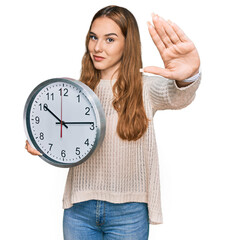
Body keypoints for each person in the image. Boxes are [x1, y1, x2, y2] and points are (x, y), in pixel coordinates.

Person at [25, 5, 201, 240]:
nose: (97, 47)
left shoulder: (145, 88)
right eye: (93, 37)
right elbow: (68, 142)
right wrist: (45, 147)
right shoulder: (77, 92)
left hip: (128, 213)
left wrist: (188, 75)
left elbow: (178, 96)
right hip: (79, 209)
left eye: (110, 39)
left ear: (127, 44)